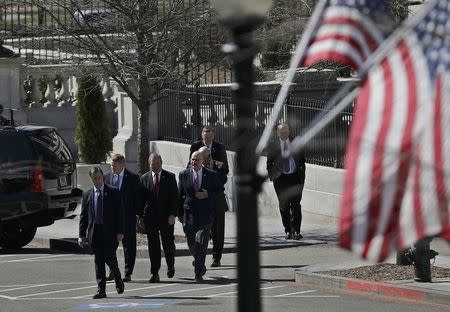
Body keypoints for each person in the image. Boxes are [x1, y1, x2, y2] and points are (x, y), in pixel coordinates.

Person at [78, 166, 125, 299]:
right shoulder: (87, 195)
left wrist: (120, 231)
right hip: (95, 232)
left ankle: (117, 277)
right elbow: (84, 217)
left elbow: (119, 213)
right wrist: (82, 235)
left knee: (109, 257)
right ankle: (101, 289)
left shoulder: (113, 192)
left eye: (99, 178)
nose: (97, 181)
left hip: (110, 232)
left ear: (102, 177)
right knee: (98, 260)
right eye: (95, 179)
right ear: (91, 179)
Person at [178, 151, 223, 281]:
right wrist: (179, 214)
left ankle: (198, 273)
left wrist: (208, 194)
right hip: (189, 215)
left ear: (203, 161)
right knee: (192, 243)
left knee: (201, 241)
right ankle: (200, 265)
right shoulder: (183, 175)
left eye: (197, 159)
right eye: (192, 159)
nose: (194, 162)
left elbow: (220, 191)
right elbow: (180, 195)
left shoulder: (211, 175)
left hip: (205, 215)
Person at [139, 153, 178, 283]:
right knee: (153, 246)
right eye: (152, 164)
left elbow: (174, 198)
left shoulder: (170, 177)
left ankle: (170, 265)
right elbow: (141, 200)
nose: (155, 166)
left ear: (161, 163)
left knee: (168, 244)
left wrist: (173, 214)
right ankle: (155, 272)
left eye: (157, 163)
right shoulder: (144, 178)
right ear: (149, 165)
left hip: (166, 217)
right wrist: (140, 217)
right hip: (151, 218)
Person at [103, 154, 141, 282]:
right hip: (111, 219)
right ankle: (113, 270)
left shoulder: (133, 178)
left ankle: (127, 272)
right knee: (109, 246)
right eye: (111, 165)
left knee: (129, 246)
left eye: (115, 165)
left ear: (122, 165)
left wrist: (136, 215)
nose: (112, 167)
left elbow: (137, 199)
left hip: (127, 218)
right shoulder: (106, 177)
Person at [266, 123, 306, 240]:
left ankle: (296, 231)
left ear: (289, 131)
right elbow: (269, 163)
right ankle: (288, 230)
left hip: (295, 178)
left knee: (296, 205)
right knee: (284, 206)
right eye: (281, 132)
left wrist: (302, 176)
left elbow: (302, 160)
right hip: (280, 179)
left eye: (286, 132)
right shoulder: (273, 145)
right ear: (278, 133)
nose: (284, 134)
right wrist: (272, 176)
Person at [198, 146, 228, 267]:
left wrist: (210, 169)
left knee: (218, 232)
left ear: (209, 156)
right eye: (200, 157)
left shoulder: (220, 166)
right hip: (203, 204)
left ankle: (216, 257)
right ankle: (200, 258)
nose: (201, 160)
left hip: (217, 204)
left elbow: (220, 182)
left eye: (203, 157)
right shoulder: (196, 166)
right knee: (202, 232)